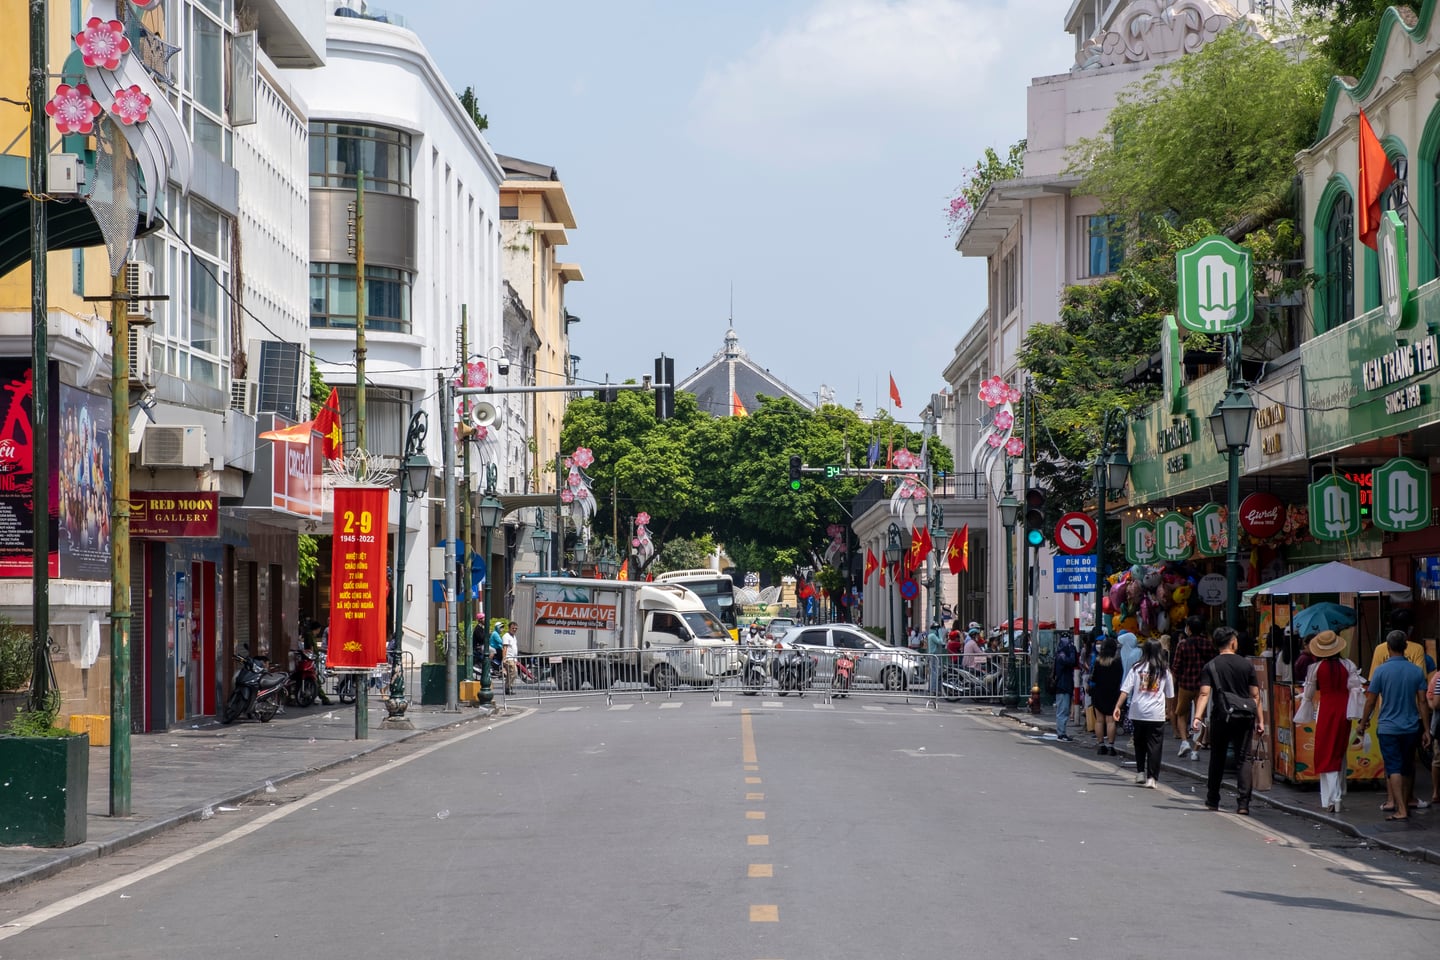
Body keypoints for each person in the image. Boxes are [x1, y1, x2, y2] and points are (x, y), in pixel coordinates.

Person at [1360, 630, 1433, 821]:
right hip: (1411, 727)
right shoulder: (1416, 671)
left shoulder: (1381, 671)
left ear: (1388, 647)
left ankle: (1400, 809)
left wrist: (1363, 722)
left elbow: (1370, 701)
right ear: (1405, 646)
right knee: (1407, 766)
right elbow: (1423, 702)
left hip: (1388, 728)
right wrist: (1427, 729)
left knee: (1393, 767)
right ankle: (1406, 803)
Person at [1191, 626, 1264, 815]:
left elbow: (1204, 694)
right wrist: (1260, 720)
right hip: (1245, 716)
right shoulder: (1246, 665)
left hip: (1221, 716)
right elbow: (1255, 695)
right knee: (1243, 758)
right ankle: (1243, 804)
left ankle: (1212, 799)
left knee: (1217, 757)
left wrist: (1197, 717)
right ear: (1232, 642)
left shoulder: (1211, 666)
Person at [1297, 629, 1363, 814]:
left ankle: (1332, 798)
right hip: (1344, 711)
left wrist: (1303, 707)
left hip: (1326, 710)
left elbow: (1308, 694)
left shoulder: (1315, 668)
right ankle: (1339, 794)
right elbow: (1356, 689)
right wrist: (1355, 713)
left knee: (1325, 752)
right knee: (1339, 751)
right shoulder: (1348, 665)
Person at [1115, 639, 1173, 786]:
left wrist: (1117, 706)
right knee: (1155, 746)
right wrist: (1169, 710)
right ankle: (1152, 778)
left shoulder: (1136, 668)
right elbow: (1170, 694)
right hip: (1156, 713)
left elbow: (1125, 689)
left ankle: (1140, 772)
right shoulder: (1165, 670)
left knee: (1139, 743)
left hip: (1138, 712)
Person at [1170, 616, 1211, 761]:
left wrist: (1173, 684)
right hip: (1203, 687)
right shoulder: (1207, 644)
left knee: (1182, 714)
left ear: (1189, 629)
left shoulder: (1182, 644)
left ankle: (1184, 742)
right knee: (1201, 717)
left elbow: (1176, 666)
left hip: (1185, 685)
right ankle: (1196, 750)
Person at [1089, 636, 1123, 756]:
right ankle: (1111, 747)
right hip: (1113, 694)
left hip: (1099, 693)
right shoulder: (1117, 662)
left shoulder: (1098, 661)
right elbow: (1120, 678)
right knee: (1111, 721)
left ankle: (1101, 746)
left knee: (1099, 721)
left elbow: (1093, 678)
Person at [1052, 632, 1078, 742]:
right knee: (1062, 710)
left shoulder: (1060, 654)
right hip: (1062, 686)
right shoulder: (1062, 656)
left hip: (1065, 685)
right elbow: (1072, 661)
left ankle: (1062, 732)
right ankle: (1061, 733)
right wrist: (1072, 650)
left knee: (1064, 709)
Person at [926, 621, 947, 694]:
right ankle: (933, 689)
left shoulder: (930, 635)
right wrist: (940, 634)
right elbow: (940, 641)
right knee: (935, 673)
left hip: (933, 655)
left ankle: (933, 689)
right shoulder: (932, 636)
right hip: (934, 655)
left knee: (934, 672)